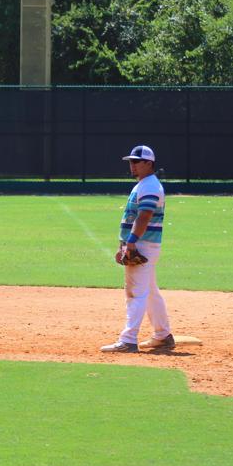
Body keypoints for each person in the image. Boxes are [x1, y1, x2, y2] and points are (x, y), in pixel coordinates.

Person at [101, 145, 174, 353]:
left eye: (136, 161)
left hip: (142, 244)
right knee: (150, 292)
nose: (132, 165)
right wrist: (123, 244)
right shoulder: (144, 184)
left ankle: (129, 340)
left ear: (149, 164)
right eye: (130, 162)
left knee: (135, 293)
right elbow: (131, 218)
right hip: (142, 243)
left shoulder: (150, 186)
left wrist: (131, 242)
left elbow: (144, 217)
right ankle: (163, 335)